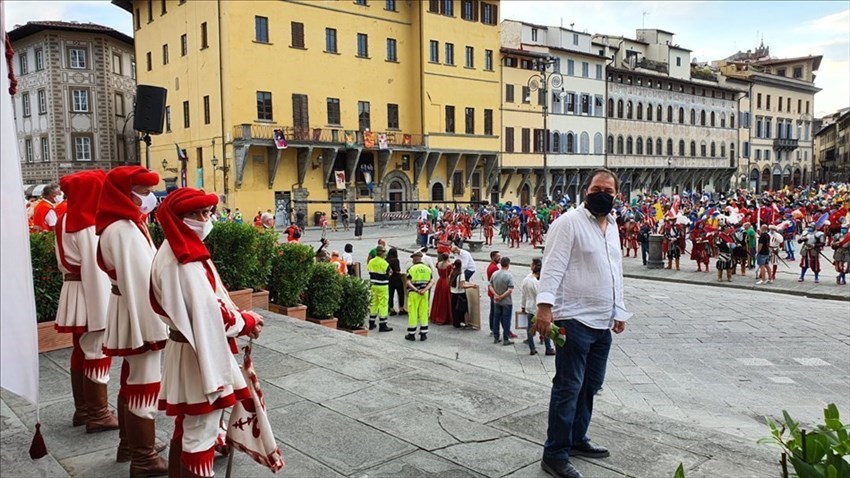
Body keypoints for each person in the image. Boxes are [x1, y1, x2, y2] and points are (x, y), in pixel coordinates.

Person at [149, 188, 264, 478]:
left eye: (207, 212)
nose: (205, 220)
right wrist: (246, 321)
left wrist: (239, 317)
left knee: (188, 427)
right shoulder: (182, 259)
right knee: (201, 433)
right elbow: (210, 314)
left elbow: (211, 301)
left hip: (190, 346)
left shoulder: (179, 248)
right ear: (178, 218)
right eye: (196, 214)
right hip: (198, 351)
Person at [533, 168, 631, 478]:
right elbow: (552, 267)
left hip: (602, 322)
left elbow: (614, 270)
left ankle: (577, 438)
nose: (601, 194)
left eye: (608, 191)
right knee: (569, 387)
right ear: (585, 191)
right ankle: (555, 453)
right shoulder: (568, 223)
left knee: (591, 385)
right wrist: (544, 309)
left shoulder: (612, 225)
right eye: (596, 189)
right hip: (573, 318)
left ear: (616, 195)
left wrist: (619, 310)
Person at [95, 166, 169, 475]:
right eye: (143, 191)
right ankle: (144, 457)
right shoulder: (123, 230)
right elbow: (141, 283)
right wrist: (154, 328)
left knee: (132, 376)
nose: (149, 197)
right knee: (144, 381)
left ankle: (130, 445)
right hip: (138, 311)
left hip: (129, 308)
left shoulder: (124, 224)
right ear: (124, 194)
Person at [53, 171, 119, 433]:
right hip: (88, 291)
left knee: (81, 350)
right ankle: (98, 413)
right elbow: (95, 271)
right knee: (97, 350)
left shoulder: (64, 219)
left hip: (73, 289)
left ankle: (83, 409)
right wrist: (103, 312)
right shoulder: (87, 224)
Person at [523, 258, 553, 356]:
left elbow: (524, 295)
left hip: (529, 306)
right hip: (537, 308)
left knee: (530, 329)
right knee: (545, 327)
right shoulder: (536, 282)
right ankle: (548, 347)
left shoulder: (526, 279)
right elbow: (540, 296)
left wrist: (523, 306)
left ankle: (532, 348)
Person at [404, 251, 434, 341]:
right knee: (423, 313)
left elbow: (408, 282)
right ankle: (423, 334)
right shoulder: (427, 269)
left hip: (414, 293)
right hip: (424, 294)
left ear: (415, 258)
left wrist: (416, 290)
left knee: (413, 313)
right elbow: (432, 282)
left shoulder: (411, 269)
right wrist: (424, 290)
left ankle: (411, 334)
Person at [489, 257, 515, 346]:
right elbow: (510, 289)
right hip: (506, 301)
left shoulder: (495, 274)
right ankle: (506, 338)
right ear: (508, 264)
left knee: (496, 318)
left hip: (496, 301)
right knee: (506, 320)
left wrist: (496, 295)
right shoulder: (509, 275)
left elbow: (490, 286)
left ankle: (496, 337)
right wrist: (502, 296)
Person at [367, 245, 394, 332]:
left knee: (373, 303)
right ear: (382, 253)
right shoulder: (385, 263)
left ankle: (371, 323)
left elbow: (369, 270)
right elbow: (389, 273)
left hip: (373, 284)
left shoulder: (371, 261)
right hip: (383, 286)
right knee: (383, 304)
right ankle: (383, 325)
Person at [448, 259, 477, 328]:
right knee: (462, 309)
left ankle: (456, 323)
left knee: (454, 309)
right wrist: (472, 286)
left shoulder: (453, 272)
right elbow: (462, 286)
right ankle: (464, 322)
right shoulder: (461, 274)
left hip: (453, 292)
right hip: (460, 293)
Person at [430, 253, 453, 326]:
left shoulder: (439, 264)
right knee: (445, 299)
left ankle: (435, 315)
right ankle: (445, 317)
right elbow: (450, 274)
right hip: (446, 281)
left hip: (440, 281)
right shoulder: (449, 265)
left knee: (438, 298)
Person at [486, 251, 501, 341]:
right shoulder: (494, 268)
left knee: (492, 311)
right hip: (494, 292)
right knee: (495, 312)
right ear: (493, 257)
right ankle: (494, 329)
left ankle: (492, 327)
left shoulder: (491, 266)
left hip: (491, 292)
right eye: (498, 256)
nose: (499, 258)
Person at [386, 247, 406, 316]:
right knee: (401, 293)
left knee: (390, 294)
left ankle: (391, 308)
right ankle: (401, 308)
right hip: (397, 278)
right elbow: (397, 270)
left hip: (389, 279)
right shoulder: (395, 260)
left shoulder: (386, 260)